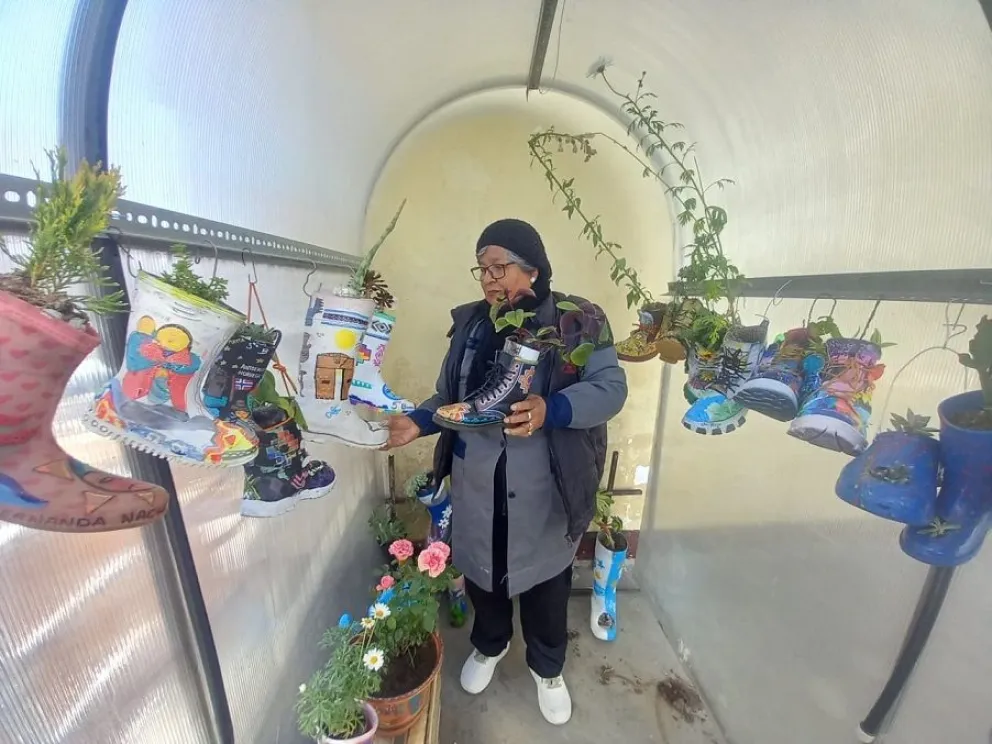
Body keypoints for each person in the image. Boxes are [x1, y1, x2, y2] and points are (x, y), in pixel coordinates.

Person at [386, 218, 628, 725]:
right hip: (476, 481)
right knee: (484, 579)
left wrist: (552, 409)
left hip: (544, 483)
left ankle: (548, 668)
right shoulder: (473, 324)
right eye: (482, 269)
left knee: (545, 586)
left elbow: (610, 388)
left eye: (499, 266)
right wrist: (418, 422)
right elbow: (453, 399)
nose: (489, 279)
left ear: (533, 269)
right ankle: (490, 646)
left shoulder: (577, 320)